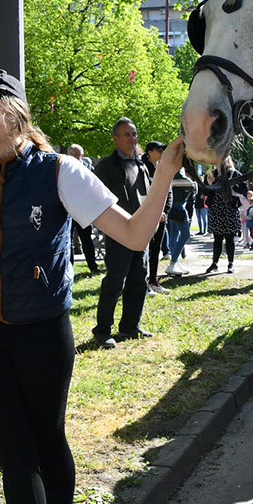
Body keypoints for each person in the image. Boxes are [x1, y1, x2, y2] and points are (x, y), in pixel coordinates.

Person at [0, 67, 183, 504]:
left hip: (43, 333)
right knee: (14, 453)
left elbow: (133, 234)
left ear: (13, 109)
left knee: (47, 439)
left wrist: (163, 174)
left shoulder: (60, 171)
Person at [91, 117, 158, 348]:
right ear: (115, 138)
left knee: (139, 279)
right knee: (115, 281)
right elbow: (98, 198)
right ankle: (102, 330)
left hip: (140, 232)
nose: (132, 138)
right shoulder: (106, 165)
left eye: (134, 134)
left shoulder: (141, 165)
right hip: (118, 231)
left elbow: (146, 195)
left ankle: (130, 326)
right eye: (127, 134)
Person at [141, 140, 171, 294]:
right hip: (148, 216)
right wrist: (155, 211)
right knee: (144, 249)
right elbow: (144, 194)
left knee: (156, 249)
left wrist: (164, 210)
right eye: (159, 150)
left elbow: (168, 192)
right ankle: (143, 283)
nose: (162, 153)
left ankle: (153, 280)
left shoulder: (161, 168)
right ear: (150, 152)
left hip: (162, 216)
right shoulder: (143, 169)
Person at [206, 158, 245, 273]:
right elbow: (204, 192)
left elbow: (243, 189)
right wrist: (209, 185)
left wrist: (231, 185)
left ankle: (231, 263)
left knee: (229, 238)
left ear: (227, 160)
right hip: (216, 210)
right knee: (217, 238)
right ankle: (214, 263)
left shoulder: (234, 174)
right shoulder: (211, 174)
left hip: (230, 210)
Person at [66, 144, 99, 274]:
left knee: (87, 240)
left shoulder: (88, 169)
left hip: (83, 210)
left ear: (82, 156)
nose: (74, 157)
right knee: (68, 242)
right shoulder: (64, 169)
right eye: (72, 154)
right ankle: (69, 268)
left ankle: (93, 267)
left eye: (77, 155)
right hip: (68, 210)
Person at [165, 168, 194, 276]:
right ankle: (172, 264)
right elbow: (190, 185)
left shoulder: (170, 170)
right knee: (185, 235)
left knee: (174, 234)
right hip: (179, 206)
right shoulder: (178, 169)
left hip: (173, 206)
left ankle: (175, 262)